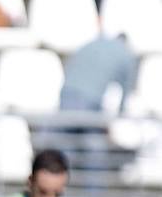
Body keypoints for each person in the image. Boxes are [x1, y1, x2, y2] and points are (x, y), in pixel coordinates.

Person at [58, 31, 137, 180]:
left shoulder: (93, 43)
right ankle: (92, 193)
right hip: (89, 100)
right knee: (94, 151)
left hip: (66, 94)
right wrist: (118, 117)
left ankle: (64, 188)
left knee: (66, 146)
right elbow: (126, 93)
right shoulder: (126, 54)